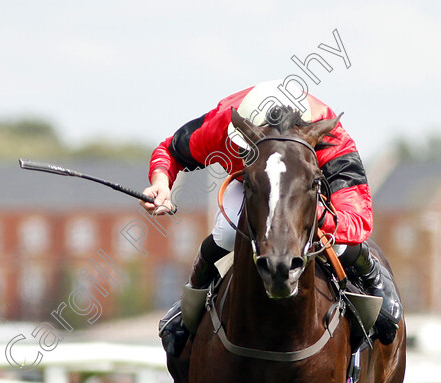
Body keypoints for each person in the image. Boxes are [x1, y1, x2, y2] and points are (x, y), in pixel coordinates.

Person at [143, 80, 402, 356]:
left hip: (305, 189)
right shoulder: (223, 122)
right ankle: (192, 296)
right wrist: (161, 182)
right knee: (228, 233)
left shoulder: (330, 137)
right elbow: (170, 150)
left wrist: (301, 212)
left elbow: (355, 222)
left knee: (336, 242)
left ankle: (371, 275)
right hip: (257, 184)